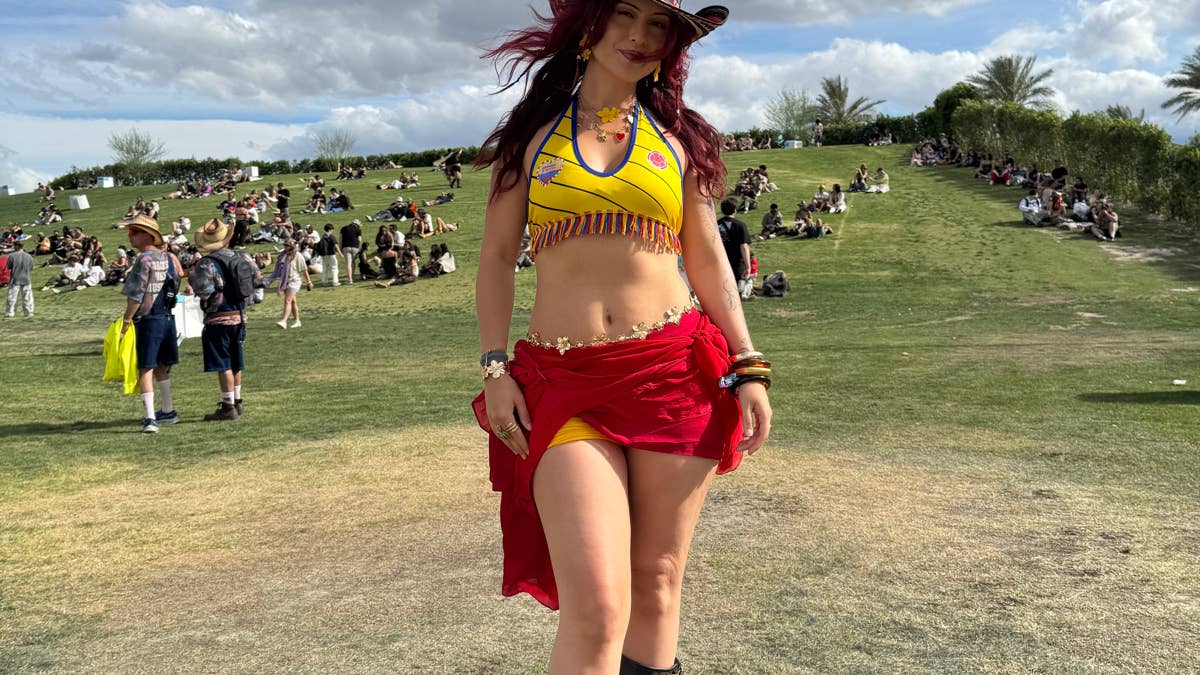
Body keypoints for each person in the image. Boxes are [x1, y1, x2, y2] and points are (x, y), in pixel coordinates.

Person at [474, 2, 769, 672]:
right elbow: (495, 257)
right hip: (564, 383)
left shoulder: (680, 143)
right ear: (589, 26)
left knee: (657, 582)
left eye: (658, 24)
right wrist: (495, 368)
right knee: (599, 607)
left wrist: (748, 361)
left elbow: (707, 260)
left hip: (675, 373)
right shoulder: (530, 140)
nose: (639, 35)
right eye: (625, 14)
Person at [119, 215, 181, 433]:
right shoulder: (168, 257)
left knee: (145, 367)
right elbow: (177, 280)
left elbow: (136, 294)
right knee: (161, 367)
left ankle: (150, 418)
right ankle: (168, 410)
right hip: (167, 317)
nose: (130, 236)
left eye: (134, 232)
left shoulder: (143, 260)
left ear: (148, 235)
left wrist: (127, 319)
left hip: (148, 319)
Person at [189, 219, 254, 421]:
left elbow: (205, 292)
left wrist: (192, 278)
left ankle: (228, 406)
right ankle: (237, 400)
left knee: (223, 362)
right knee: (236, 361)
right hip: (239, 315)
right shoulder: (241, 257)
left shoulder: (206, 263)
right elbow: (256, 281)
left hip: (218, 318)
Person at [266, 241, 312, 328]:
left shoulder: (298, 256)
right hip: (285, 281)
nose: (285, 247)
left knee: (287, 301)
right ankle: (297, 321)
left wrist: (309, 282)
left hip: (295, 281)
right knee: (293, 301)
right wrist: (268, 281)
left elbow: (304, 270)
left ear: (292, 246)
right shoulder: (282, 256)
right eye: (284, 245)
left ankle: (284, 321)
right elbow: (277, 270)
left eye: (287, 245)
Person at [716, 197, 753, 297]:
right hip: (736, 262)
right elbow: (744, 246)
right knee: (734, 291)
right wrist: (748, 266)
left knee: (721, 290)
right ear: (735, 210)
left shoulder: (715, 225)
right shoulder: (740, 225)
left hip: (719, 261)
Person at [4, 241, 34, 318]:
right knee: (27, 297)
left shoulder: (12, 256)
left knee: (12, 297)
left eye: (14, 246)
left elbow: (8, 267)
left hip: (15, 278)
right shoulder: (29, 256)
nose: (13, 247)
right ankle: (28, 312)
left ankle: (10, 312)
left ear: (17, 246)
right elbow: (31, 268)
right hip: (26, 278)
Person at [340, 219, 363, 284]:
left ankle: (350, 279)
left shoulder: (344, 228)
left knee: (348, 263)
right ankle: (352, 277)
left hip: (346, 247)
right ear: (357, 225)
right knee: (353, 262)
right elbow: (359, 240)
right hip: (355, 247)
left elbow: (340, 240)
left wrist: (340, 248)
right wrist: (358, 246)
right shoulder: (358, 229)